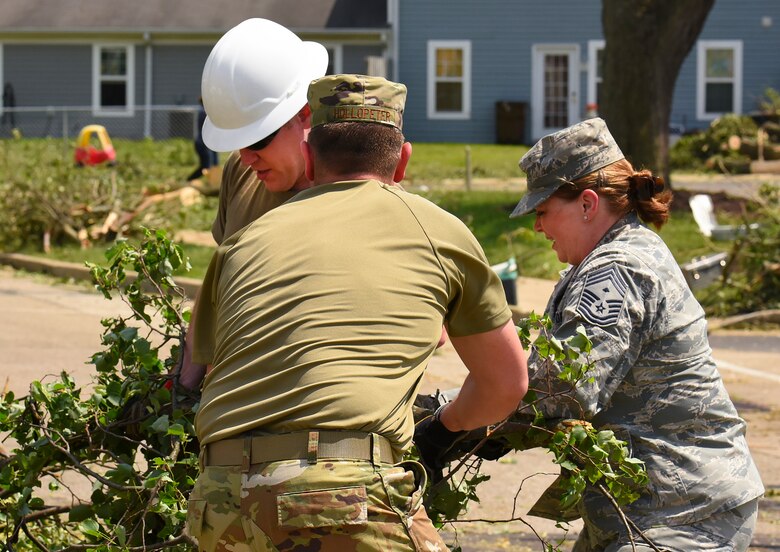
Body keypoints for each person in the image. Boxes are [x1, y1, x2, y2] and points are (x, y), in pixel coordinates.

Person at [184, 74, 529, 551]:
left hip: (216, 501)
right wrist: (441, 429)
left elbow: (201, 367)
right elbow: (506, 384)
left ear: (309, 156)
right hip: (343, 494)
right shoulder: (438, 231)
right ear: (402, 160)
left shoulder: (240, 243)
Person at [505, 117, 764, 551]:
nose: (537, 226)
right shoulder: (619, 253)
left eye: (544, 211)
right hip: (657, 506)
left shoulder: (617, 269)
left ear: (588, 204)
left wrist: (451, 419)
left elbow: (560, 388)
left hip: (683, 515)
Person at [177, 17, 328, 389]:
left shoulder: (355, 193)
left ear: (305, 112)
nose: (247, 157)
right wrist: (180, 392)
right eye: (237, 142)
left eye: (258, 140)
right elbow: (215, 290)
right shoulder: (240, 172)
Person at [186, 97, 219, 182]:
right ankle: (190, 180)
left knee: (213, 165)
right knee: (206, 167)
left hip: (208, 142)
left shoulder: (205, 111)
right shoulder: (204, 112)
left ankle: (214, 183)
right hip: (204, 143)